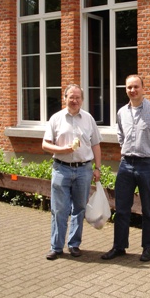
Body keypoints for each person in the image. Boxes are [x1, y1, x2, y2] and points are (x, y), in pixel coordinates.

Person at [102, 74, 150, 262]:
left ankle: (147, 248)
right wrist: (125, 149)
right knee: (121, 209)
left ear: (143, 88)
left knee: (148, 209)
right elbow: (120, 134)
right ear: (125, 89)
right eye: (129, 87)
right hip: (126, 165)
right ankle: (119, 247)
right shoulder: (122, 112)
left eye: (136, 86)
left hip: (148, 165)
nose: (132, 90)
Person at [43, 84, 102, 260]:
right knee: (59, 210)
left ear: (82, 100)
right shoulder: (56, 118)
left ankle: (74, 244)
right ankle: (56, 247)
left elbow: (96, 144)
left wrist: (97, 168)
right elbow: (45, 145)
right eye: (71, 97)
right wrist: (63, 150)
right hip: (61, 168)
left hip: (84, 169)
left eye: (78, 97)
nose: (74, 100)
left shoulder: (89, 119)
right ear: (65, 98)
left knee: (80, 208)